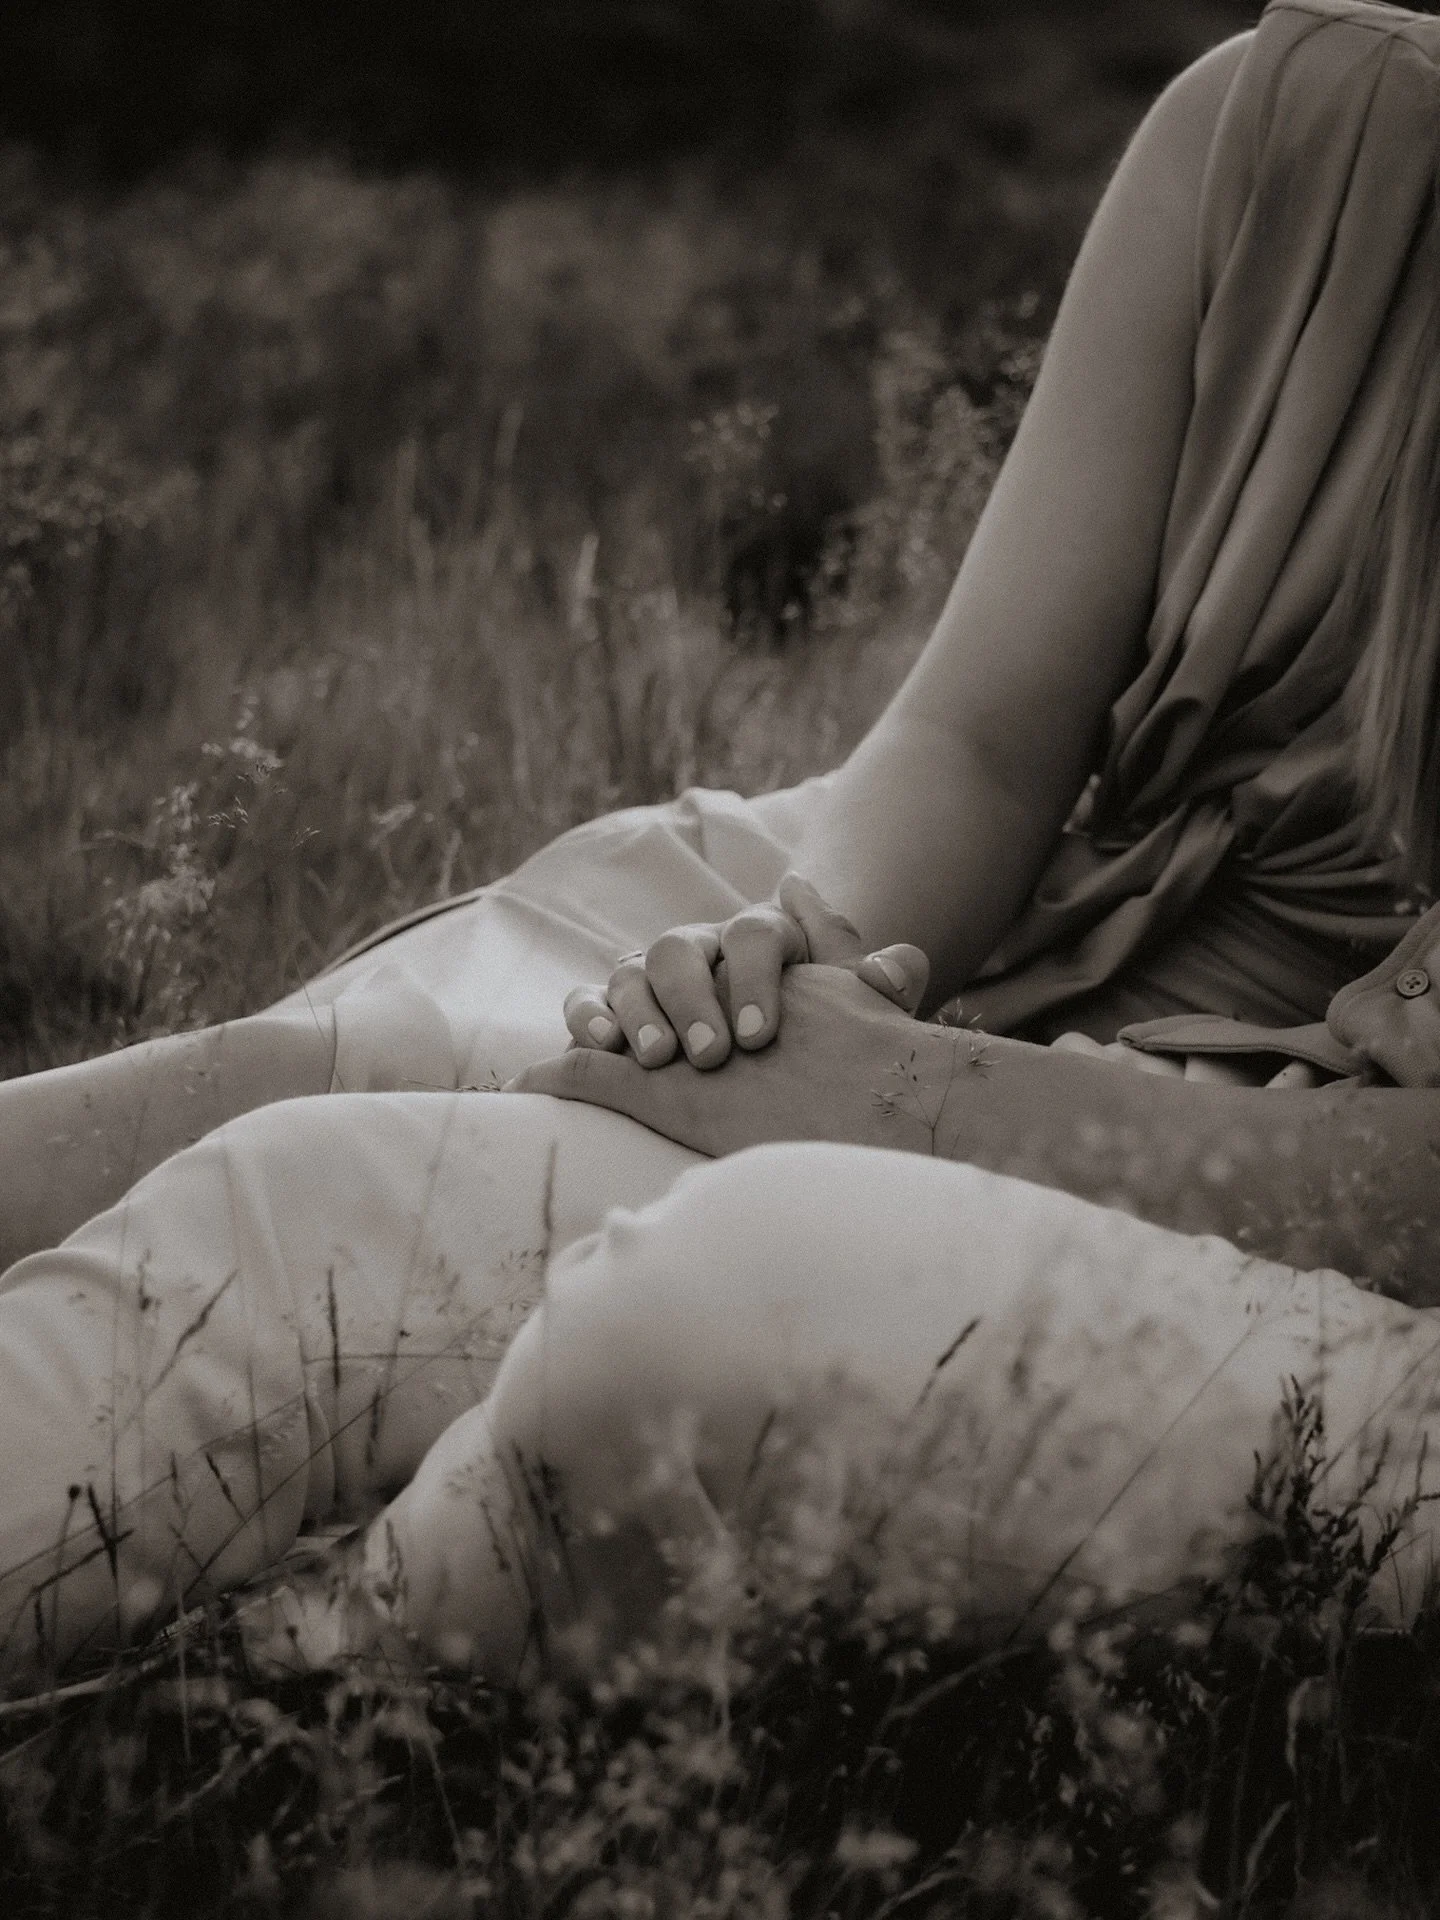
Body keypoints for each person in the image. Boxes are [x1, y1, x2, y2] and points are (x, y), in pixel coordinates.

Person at [4, 0, 1440, 1688]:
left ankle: (231, 1711)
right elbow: (982, 739)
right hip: (1018, 889)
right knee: (273, 1098)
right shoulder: (1302, 126)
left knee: (419, 1236)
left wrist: (893, 1093)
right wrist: (808, 957)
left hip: (1229, 1131)